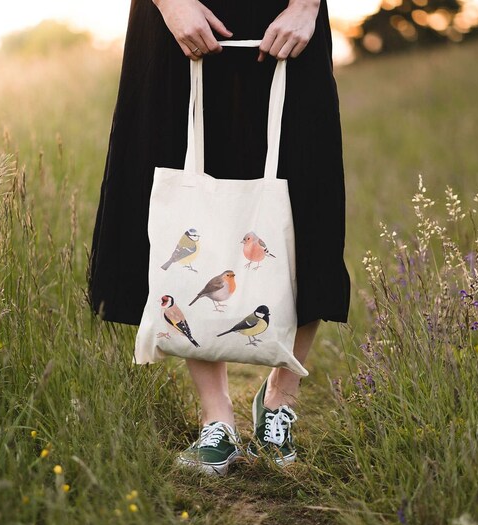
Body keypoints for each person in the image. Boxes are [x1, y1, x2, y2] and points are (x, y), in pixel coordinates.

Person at [88, 0, 351, 475]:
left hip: (289, 17)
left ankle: (279, 403)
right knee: (187, 195)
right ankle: (217, 417)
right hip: (181, 18)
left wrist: (307, 6)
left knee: (308, 197)